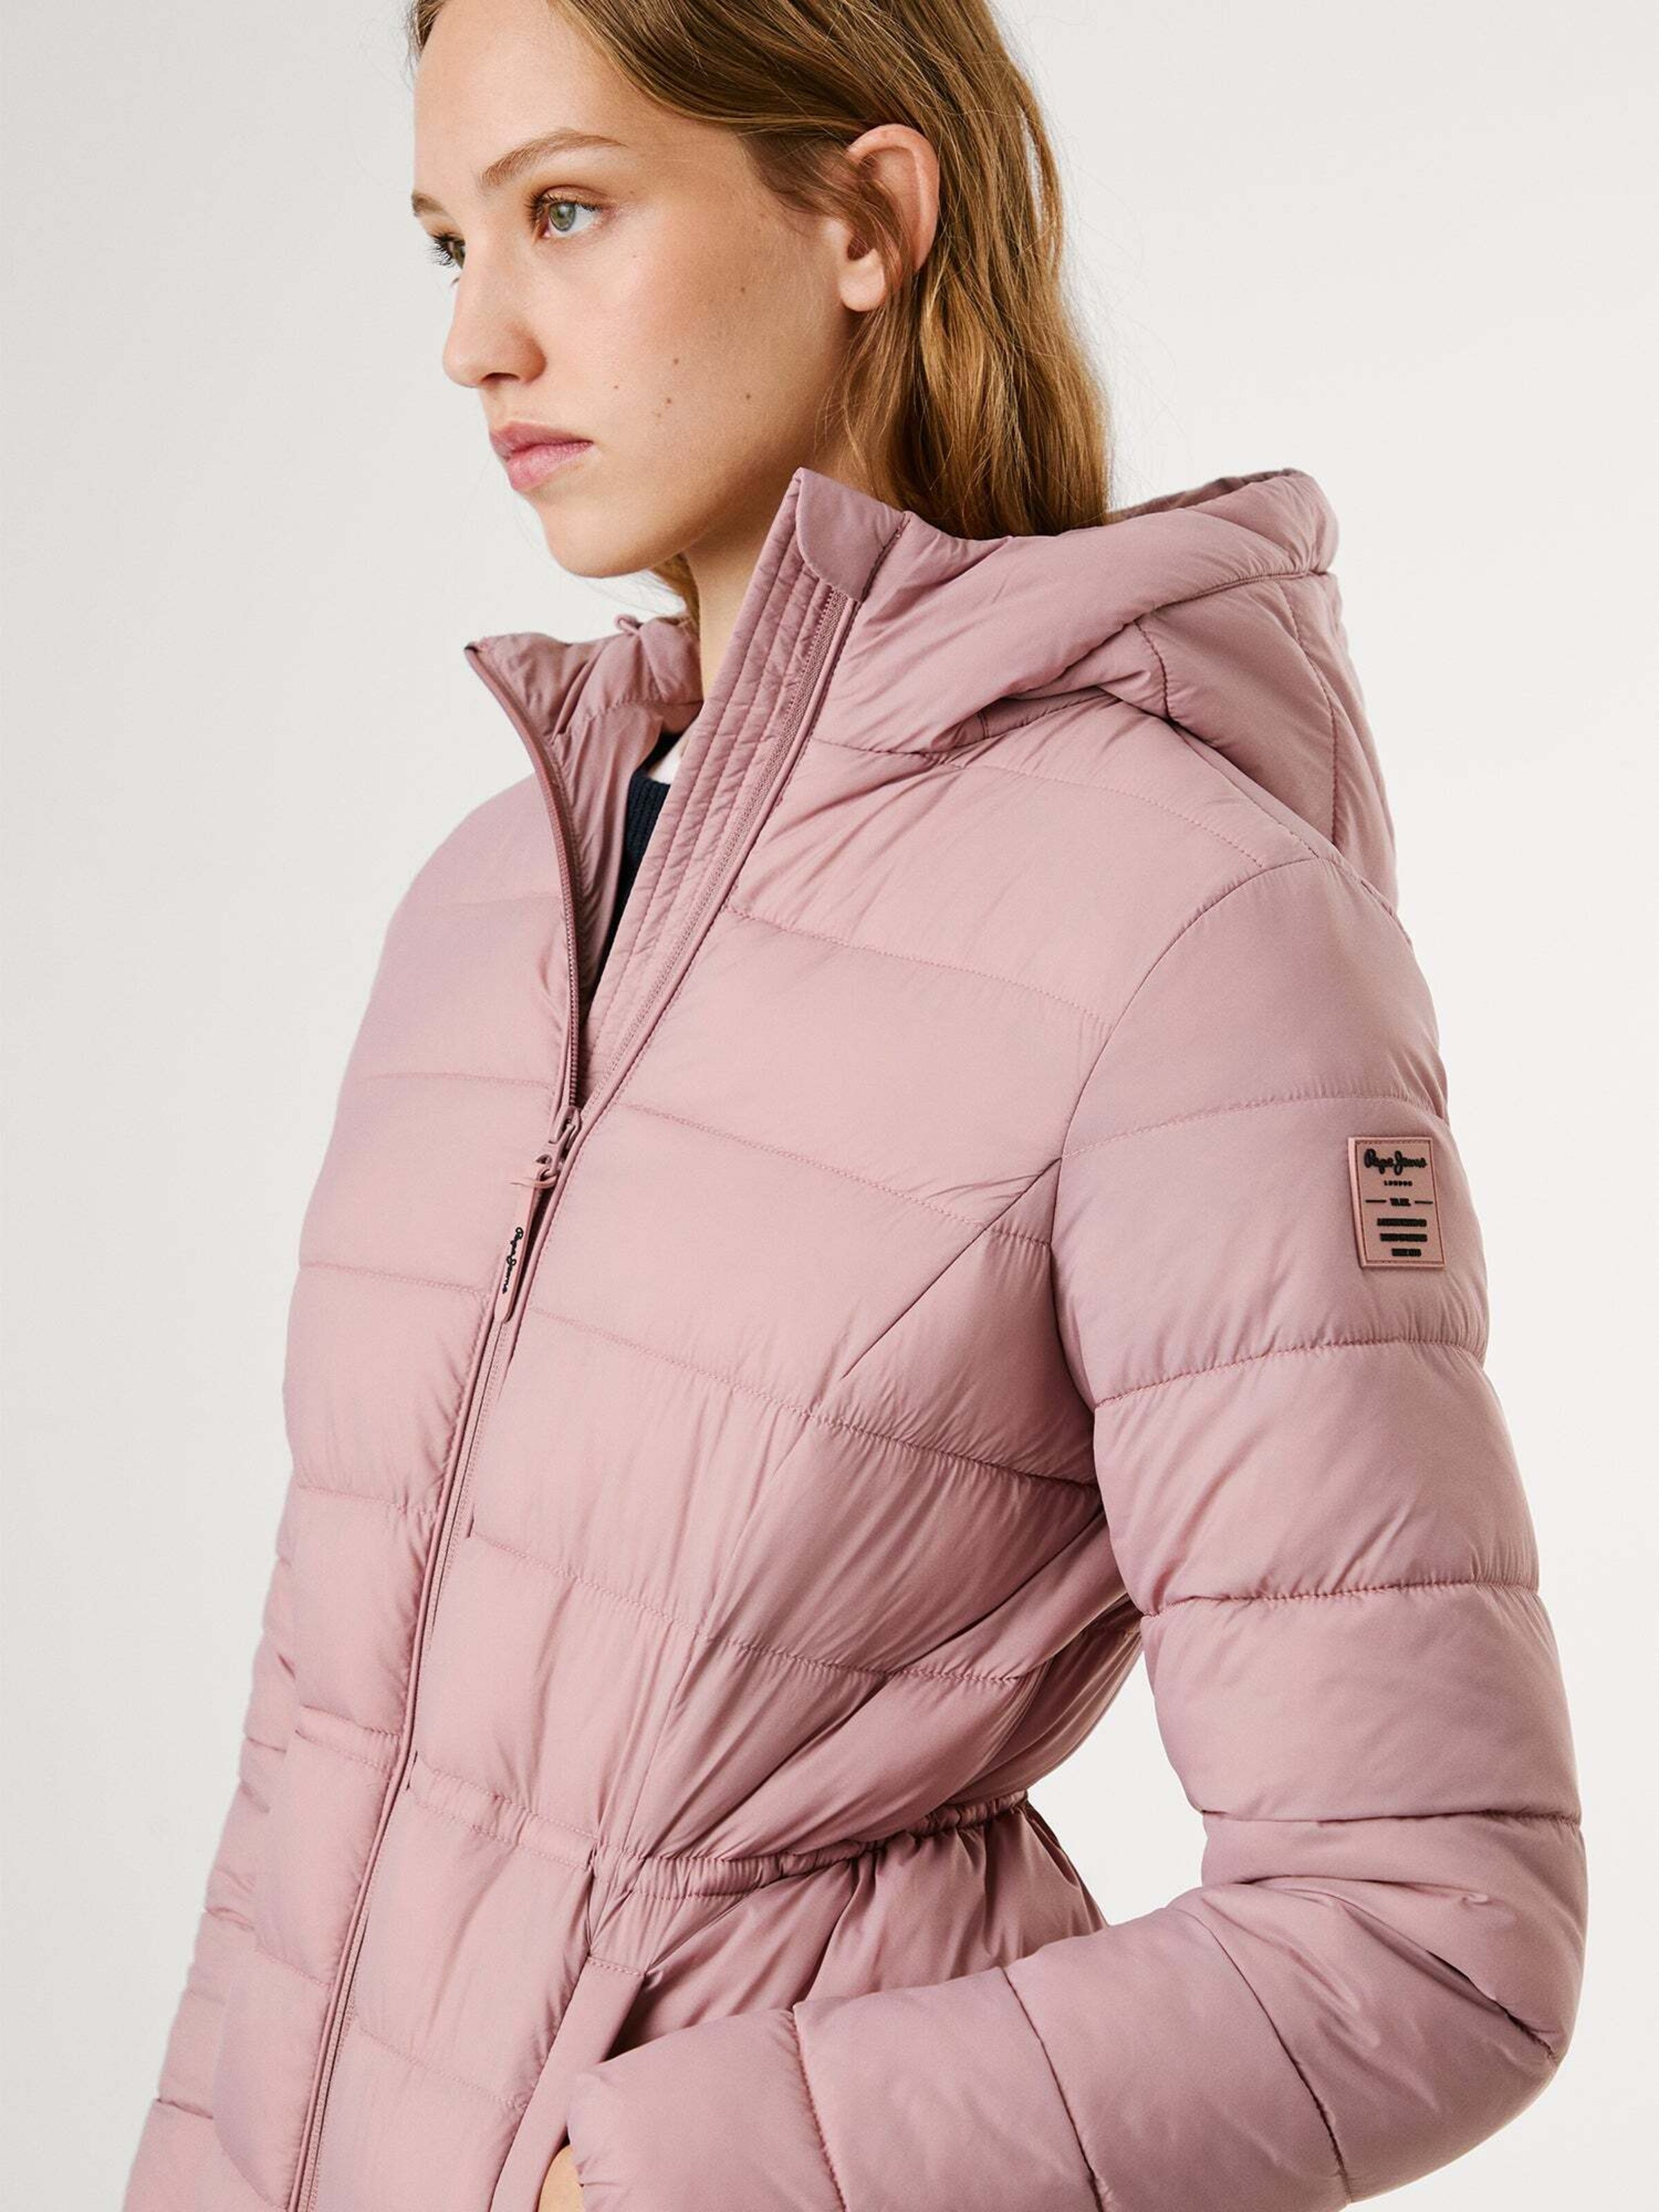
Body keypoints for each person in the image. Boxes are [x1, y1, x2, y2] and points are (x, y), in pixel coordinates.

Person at [121, 1, 1588, 2209]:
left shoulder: (1186, 923)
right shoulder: (486, 910)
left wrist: (656, 2183)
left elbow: (1430, 1941)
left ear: (870, 219)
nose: (476, 341)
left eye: (566, 210)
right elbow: (304, 1799)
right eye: (448, 242)